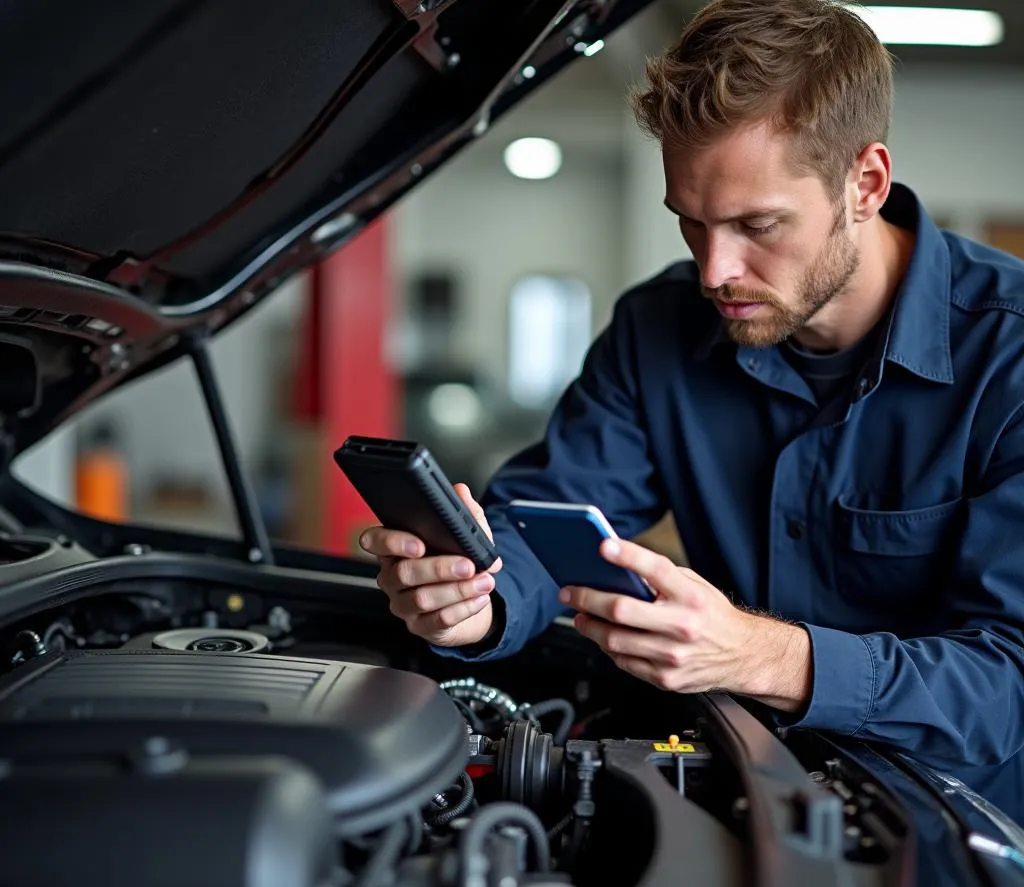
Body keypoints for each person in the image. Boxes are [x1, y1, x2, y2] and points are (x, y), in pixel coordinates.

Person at [360, 0, 1024, 816]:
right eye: (691, 224)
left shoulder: (1011, 362)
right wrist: (476, 601)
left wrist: (764, 658)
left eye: (757, 225)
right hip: (732, 793)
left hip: (952, 834)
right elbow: (546, 517)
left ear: (866, 184)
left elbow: (1009, 682)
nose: (716, 271)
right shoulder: (657, 330)